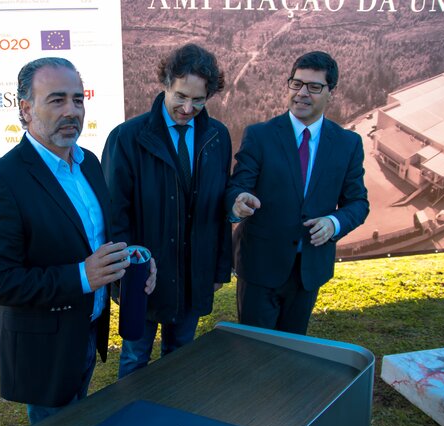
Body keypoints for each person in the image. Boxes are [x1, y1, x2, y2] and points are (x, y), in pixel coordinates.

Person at [0, 57, 156, 424]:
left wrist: (130, 256)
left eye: (77, 99)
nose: (72, 111)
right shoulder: (0, 181)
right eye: (57, 100)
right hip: (44, 349)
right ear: (26, 109)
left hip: (88, 328)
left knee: (79, 421)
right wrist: (83, 276)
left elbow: (95, 237)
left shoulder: (89, 163)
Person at [102, 44, 232, 378]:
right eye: (181, 96)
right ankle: (131, 412)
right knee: (135, 359)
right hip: (142, 275)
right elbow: (115, 214)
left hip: (193, 274)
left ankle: (172, 411)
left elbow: (219, 207)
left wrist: (218, 269)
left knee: (182, 359)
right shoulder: (127, 138)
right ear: (165, 83)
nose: (188, 108)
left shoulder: (218, 137)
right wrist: (125, 272)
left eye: (199, 100)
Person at [226, 51, 369, 335]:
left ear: (331, 92)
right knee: (255, 350)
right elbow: (237, 186)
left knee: (293, 349)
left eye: (314, 87)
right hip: (260, 266)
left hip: (309, 271)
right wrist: (238, 201)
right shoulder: (260, 135)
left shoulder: (348, 144)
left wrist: (333, 223)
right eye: (297, 83)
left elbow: (358, 203)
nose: (302, 93)